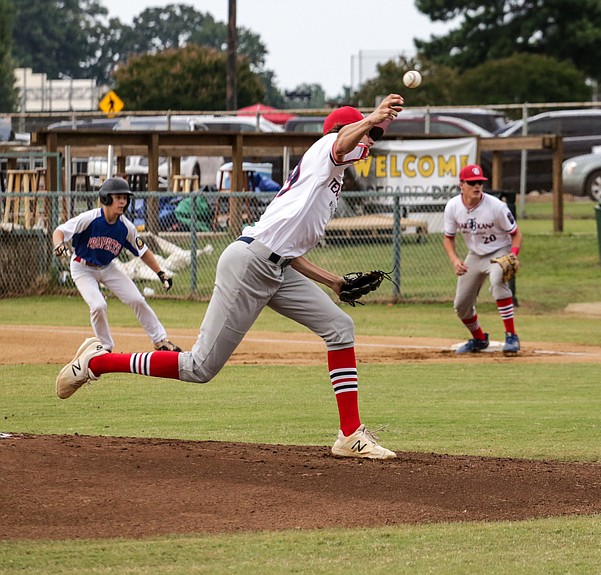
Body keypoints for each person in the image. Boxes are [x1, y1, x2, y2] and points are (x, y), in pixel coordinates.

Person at [56, 95, 405, 460]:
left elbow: (287, 249)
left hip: (277, 267)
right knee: (199, 367)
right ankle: (96, 362)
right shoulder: (324, 152)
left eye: (376, 136)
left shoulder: (328, 180)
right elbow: (341, 143)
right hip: (249, 265)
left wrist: (332, 281)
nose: (370, 141)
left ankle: (350, 435)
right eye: (367, 133)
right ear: (342, 131)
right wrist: (369, 119)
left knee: (339, 327)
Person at [52, 177, 182, 353]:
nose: (123, 201)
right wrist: (59, 245)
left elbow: (142, 251)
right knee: (98, 305)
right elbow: (59, 231)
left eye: (125, 198)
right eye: (118, 197)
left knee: (137, 299)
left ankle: (160, 341)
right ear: (106, 198)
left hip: (108, 267)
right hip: (82, 268)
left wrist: (160, 273)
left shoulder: (126, 227)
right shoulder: (89, 218)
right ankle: (105, 348)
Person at [443, 164, 522, 354]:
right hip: (475, 255)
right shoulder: (453, 206)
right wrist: (454, 259)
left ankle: (511, 335)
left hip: (499, 251)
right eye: (472, 183)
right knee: (461, 305)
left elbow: (516, 233)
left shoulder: (496, 206)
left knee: (497, 281)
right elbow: (448, 237)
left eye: (480, 182)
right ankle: (479, 338)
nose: (477, 186)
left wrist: (513, 254)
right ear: (461, 185)